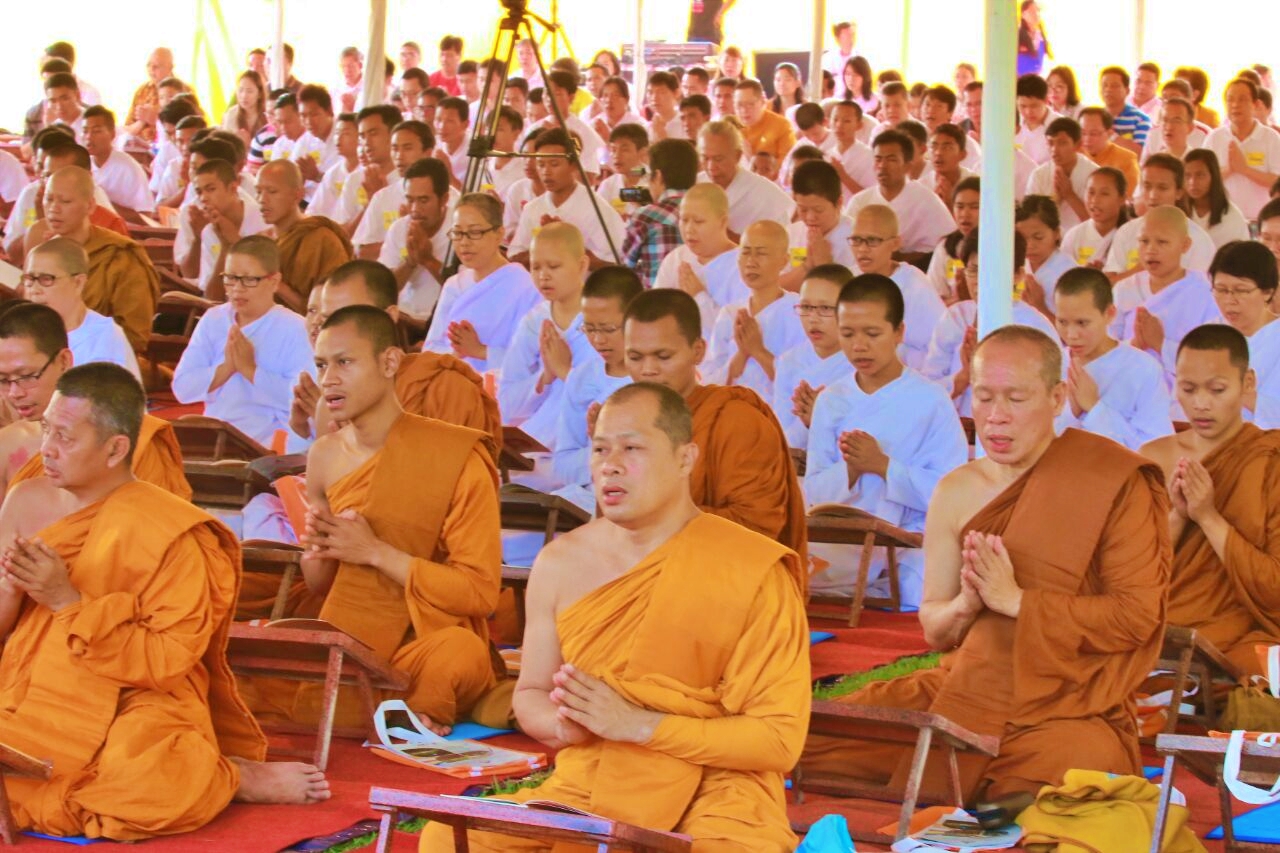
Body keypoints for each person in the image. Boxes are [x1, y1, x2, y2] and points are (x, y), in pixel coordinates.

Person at [422, 379, 808, 853]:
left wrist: (639, 725)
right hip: (591, 785)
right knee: (446, 840)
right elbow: (532, 692)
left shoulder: (750, 568)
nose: (611, 466)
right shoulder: (562, 562)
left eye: (632, 448)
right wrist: (561, 726)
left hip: (719, 794)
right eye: (600, 449)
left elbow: (777, 741)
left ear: (686, 458)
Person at [802, 324, 1170, 802]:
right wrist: (967, 605)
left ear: (1057, 397)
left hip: (1065, 703)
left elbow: (1135, 618)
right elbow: (935, 628)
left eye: (1016, 400)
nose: (996, 418)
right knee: (805, 738)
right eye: (984, 398)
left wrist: (1018, 602)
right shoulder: (956, 490)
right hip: (962, 690)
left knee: (1069, 771)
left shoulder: (1110, 479)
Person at [0, 362, 332, 839]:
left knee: (150, 781)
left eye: (66, 437)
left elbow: (166, 662)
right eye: (46, 429)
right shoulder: (25, 500)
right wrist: (10, 590)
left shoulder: (172, 532)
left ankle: (231, 776)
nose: (47, 449)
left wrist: (67, 601)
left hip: (135, 699)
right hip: (33, 691)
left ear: (116, 448)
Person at [244, 304, 504, 737]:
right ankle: (394, 715)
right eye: (322, 364)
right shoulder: (324, 455)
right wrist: (321, 548)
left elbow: (478, 594)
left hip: (423, 646)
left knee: (459, 655)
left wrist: (376, 554)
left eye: (345, 362)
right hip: (348, 643)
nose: (329, 379)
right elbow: (322, 585)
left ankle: (344, 709)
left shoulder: (454, 457)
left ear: (389, 362)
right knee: (246, 658)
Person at [805, 274, 967, 606]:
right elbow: (814, 491)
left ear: (899, 333)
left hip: (909, 545)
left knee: (918, 589)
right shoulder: (832, 399)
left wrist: (883, 467)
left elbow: (953, 496)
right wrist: (849, 471)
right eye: (848, 334)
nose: (859, 346)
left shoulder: (931, 400)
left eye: (872, 334)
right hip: (844, 542)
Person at [623, 289, 807, 561]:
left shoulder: (736, 419)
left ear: (698, 351)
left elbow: (757, 526)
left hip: (721, 580)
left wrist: (657, 518)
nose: (648, 370)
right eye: (635, 358)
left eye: (663, 357)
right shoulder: (625, 422)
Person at [1141, 325, 1280, 679]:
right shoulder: (1154, 458)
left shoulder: (1270, 458)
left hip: (1246, 637)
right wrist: (1179, 516)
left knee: (1261, 672)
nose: (1201, 403)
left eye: (1217, 389)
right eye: (1188, 389)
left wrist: (1208, 517)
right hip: (1162, 632)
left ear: (1247, 384)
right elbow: (1132, 576)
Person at [172, 236, 314, 448]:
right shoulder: (214, 319)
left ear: (274, 281)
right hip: (214, 436)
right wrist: (227, 367)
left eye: (249, 280)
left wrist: (250, 370)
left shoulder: (295, 328)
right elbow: (182, 388)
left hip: (270, 444)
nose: (237, 289)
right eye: (230, 278)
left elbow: (303, 401)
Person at [922, 229, 1060, 417]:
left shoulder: (1036, 329)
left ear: (1018, 275)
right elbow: (927, 391)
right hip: (956, 434)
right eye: (974, 270)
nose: (980, 281)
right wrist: (964, 377)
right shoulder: (955, 318)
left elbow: (1050, 403)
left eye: (993, 271)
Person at [26, 166, 158, 354]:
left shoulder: (120, 254)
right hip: (43, 354)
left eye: (65, 201)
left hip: (101, 360)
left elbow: (134, 335)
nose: (54, 208)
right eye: (49, 199)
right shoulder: (43, 251)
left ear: (90, 206)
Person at [549, 266, 643, 509]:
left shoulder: (652, 378)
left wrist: (606, 445)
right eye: (590, 329)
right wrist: (597, 447)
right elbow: (562, 465)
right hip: (582, 500)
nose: (598, 340)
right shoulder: (580, 377)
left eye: (608, 329)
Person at [1053, 268, 1172, 449]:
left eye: (1082, 323)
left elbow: (1156, 448)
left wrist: (1095, 409)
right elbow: (1031, 440)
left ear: (1109, 314)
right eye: (1062, 322)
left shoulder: (1143, 368)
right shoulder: (1050, 364)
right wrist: (1072, 411)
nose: (1071, 335)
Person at [500, 223, 594, 450]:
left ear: (582, 265)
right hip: (538, 437)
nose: (543, 276)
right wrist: (545, 377)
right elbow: (507, 403)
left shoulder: (603, 320)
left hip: (589, 438)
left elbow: (614, 389)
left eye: (553, 266)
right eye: (535, 267)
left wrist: (566, 372)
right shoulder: (534, 323)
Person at [425, 194, 541, 374]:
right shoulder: (454, 285)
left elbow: (534, 361)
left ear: (499, 234)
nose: (464, 242)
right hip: (453, 384)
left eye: (475, 232)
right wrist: (455, 354)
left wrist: (480, 351)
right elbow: (431, 348)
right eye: (458, 233)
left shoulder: (526, 287)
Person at [1110, 205, 1222, 384]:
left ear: (1185, 245)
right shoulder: (1124, 289)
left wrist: (1161, 344)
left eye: (1162, 242)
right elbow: (1104, 349)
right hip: (1129, 387)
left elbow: (1213, 360)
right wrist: (1134, 345)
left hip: (1186, 398)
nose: (1151, 250)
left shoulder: (1205, 290)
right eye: (1144, 241)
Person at [703, 221, 806, 401]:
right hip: (733, 415)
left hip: (779, 422)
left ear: (783, 261)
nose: (751, 262)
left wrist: (758, 351)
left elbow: (802, 383)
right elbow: (711, 381)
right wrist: (741, 354)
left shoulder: (799, 312)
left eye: (761, 253)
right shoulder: (730, 314)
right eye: (746, 252)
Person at [23, 238, 139, 380]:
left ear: (78, 283)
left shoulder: (105, 337)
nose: (34, 290)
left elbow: (122, 400)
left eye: (46, 279)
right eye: (29, 279)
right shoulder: (20, 332)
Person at [507, 129, 625, 268]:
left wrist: (564, 245)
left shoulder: (597, 208)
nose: (546, 172)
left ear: (574, 164)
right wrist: (543, 247)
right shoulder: (532, 208)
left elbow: (615, 262)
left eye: (554, 164)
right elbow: (515, 254)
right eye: (541, 164)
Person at [847, 204, 946, 369]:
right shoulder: (848, 279)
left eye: (872, 241)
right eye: (856, 240)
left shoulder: (914, 284)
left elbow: (940, 346)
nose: (862, 249)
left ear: (895, 243)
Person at [774, 263, 854, 449]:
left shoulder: (862, 363)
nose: (813, 318)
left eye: (825, 309)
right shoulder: (789, 362)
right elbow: (783, 440)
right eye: (806, 307)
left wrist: (822, 418)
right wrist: (807, 422)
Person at [653, 183, 745, 337]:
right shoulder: (676, 258)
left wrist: (699, 298)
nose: (689, 229)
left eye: (698, 221)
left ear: (723, 222)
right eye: (684, 220)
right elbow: (655, 312)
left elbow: (738, 330)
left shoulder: (742, 265)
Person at [1104, 155, 1216, 281]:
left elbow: (1201, 290)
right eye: (1147, 186)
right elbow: (1109, 285)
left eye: (1162, 188)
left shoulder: (1199, 239)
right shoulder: (1126, 231)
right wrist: (1140, 270)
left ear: (1178, 192)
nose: (1153, 195)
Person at [844, 130, 954, 254]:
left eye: (891, 160)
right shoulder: (860, 201)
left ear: (907, 166)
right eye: (878, 159)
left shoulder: (926, 199)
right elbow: (848, 244)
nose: (882, 166)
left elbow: (948, 242)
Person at [1209, 240, 1280, 428]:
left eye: (1241, 290)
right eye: (1221, 290)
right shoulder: (1211, 334)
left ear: (1267, 292)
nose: (1229, 301)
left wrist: (1242, 395)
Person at [378, 158, 451, 321]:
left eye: (424, 200)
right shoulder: (399, 229)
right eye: (410, 200)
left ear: (444, 199)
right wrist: (410, 262)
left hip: (444, 321)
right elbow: (384, 291)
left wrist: (428, 260)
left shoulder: (460, 228)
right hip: (403, 318)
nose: (415, 209)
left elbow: (467, 290)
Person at [352, 119, 435, 259]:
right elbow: (362, 252)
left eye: (407, 148)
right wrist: (400, 235)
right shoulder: (382, 197)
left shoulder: (448, 197)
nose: (399, 156)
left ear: (427, 153)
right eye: (395, 149)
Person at [186, 159, 269, 296]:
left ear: (233, 188)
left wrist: (236, 242)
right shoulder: (209, 231)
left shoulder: (263, 221)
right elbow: (212, 297)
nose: (203, 198)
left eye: (211, 189)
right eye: (199, 192)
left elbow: (265, 286)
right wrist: (226, 246)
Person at [696, 120, 794, 237]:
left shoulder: (766, 194)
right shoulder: (695, 185)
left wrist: (730, 238)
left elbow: (783, 244)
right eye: (705, 158)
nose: (711, 167)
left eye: (718, 159)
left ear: (737, 156)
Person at [621, 138, 696, 287]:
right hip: (700, 302)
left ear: (658, 176)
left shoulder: (645, 216)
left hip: (656, 303)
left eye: (649, 176)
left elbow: (625, 265)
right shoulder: (708, 211)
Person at [1206, 77, 1280, 221]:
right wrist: (1229, 169)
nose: (1235, 105)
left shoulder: (1271, 138)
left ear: (1255, 104)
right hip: (1223, 218)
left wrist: (1245, 169)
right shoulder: (1215, 138)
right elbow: (1203, 180)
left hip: (1260, 219)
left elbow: (1277, 181)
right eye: (1230, 100)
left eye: (1242, 99)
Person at [335, 105, 402, 237]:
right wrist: (370, 203)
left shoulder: (410, 181)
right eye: (362, 136)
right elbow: (341, 236)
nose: (366, 142)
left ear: (393, 134)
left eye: (373, 134)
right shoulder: (355, 180)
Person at [80, 106, 154, 218]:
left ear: (112, 134)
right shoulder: (82, 165)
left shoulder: (128, 167)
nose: (89, 137)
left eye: (96, 131)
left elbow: (146, 215)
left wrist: (102, 201)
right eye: (85, 131)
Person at [1023, 117, 1094, 232]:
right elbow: (1031, 220)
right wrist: (1055, 201)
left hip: (1084, 239)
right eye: (1050, 143)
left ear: (1078, 145)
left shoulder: (1093, 174)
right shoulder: (1039, 175)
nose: (1054, 150)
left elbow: (1097, 221)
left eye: (1062, 143)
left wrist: (1070, 195)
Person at [1015, 195, 1075, 316]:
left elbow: (1074, 332)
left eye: (1038, 237)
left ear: (1056, 233)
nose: (1029, 246)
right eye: (1022, 238)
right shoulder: (1015, 264)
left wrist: (1040, 307)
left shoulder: (1072, 274)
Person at [1060, 168, 1128, 268]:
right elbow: (1061, 277)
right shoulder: (1074, 236)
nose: (1095, 200)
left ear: (1122, 199)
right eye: (1091, 192)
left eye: (1104, 193)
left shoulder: (1132, 234)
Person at [927, 176, 980, 303]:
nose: (965, 214)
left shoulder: (1003, 245)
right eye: (960, 206)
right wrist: (959, 301)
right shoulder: (946, 247)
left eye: (974, 207)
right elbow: (932, 299)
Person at [1184, 148, 1251, 248]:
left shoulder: (1232, 217)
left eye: (1200, 175)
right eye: (1188, 176)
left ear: (1213, 176)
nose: (1192, 182)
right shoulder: (1178, 210)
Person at [1076, 107, 1138, 204]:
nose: (1087, 139)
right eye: (1083, 133)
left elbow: (1128, 200)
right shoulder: (1074, 154)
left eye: (1094, 134)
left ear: (1109, 133)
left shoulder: (1127, 159)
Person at [306, 111, 358, 221]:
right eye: (337, 133)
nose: (338, 138)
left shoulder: (367, 172)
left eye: (346, 134)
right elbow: (315, 210)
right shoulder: (333, 173)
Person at [734, 79, 795, 164]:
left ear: (763, 102)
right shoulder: (731, 127)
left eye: (750, 104)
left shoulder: (781, 126)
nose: (744, 110)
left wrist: (752, 161)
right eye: (739, 105)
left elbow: (786, 165)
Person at [122, 48, 174, 144]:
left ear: (170, 67)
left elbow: (189, 129)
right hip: (140, 150)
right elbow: (127, 129)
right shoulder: (142, 91)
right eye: (149, 65)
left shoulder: (182, 91)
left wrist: (157, 119)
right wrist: (142, 122)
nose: (151, 69)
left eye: (156, 66)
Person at [828, 100, 876, 203]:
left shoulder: (868, 156)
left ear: (858, 125)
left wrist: (843, 176)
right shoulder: (826, 154)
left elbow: (871, 197)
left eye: (847, 121)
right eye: (835, 120)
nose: (839, 125)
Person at [1098, 66, 1152, 153]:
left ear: (1127, 90)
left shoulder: (1140, 119)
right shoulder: (1093, 118)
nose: (1108, 90)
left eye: (1114, 86)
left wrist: (1111, 136)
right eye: (1104, 85)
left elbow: (1141, 154)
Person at [1014, 74, 1058, 166]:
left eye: (1034, 106)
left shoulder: (1059, 125)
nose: (1028, 112)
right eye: (1023, 106)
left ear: (1046, 100)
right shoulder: (1013, 123)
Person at [1017, 0, 1051, 77]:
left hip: (1037, 80)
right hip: (1020, 81)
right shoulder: (1017, 35)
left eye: (1037, 11)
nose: (1036, 14)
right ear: (1023, 14)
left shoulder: (1041, 37)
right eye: (1032, 11)